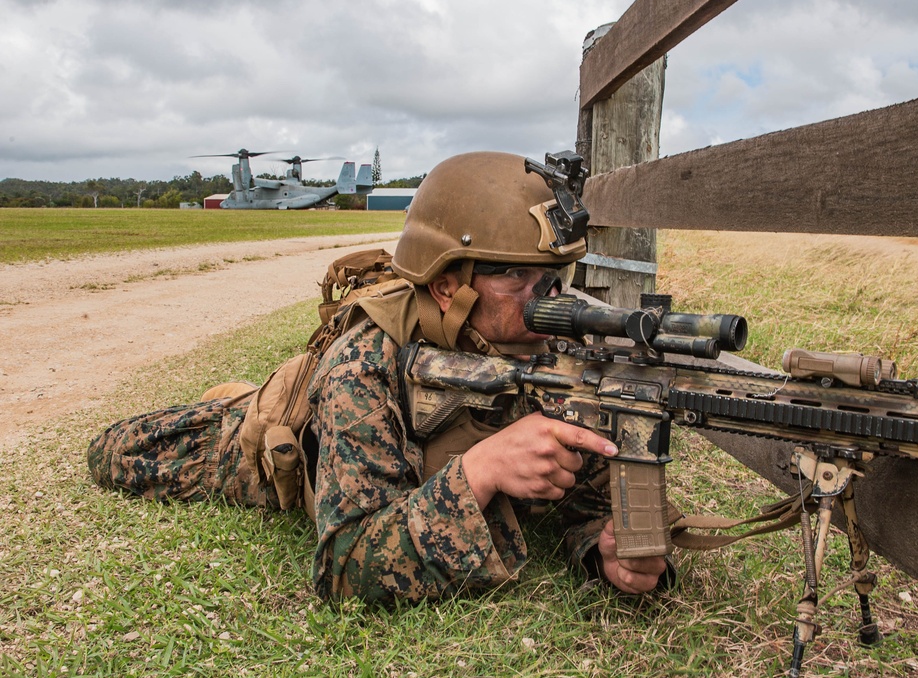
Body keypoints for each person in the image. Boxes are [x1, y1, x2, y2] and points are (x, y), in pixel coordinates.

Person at [88, 152, 672, 606]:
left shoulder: (560, 353)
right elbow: (345, 564)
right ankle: (240, 401)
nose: (545, 300)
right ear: (447, 285)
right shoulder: (365, 361)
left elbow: (591, 499)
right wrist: (483, 470)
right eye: (514, 276)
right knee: (114, 451)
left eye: (552, 278)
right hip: (276, 442)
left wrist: (606, 549)